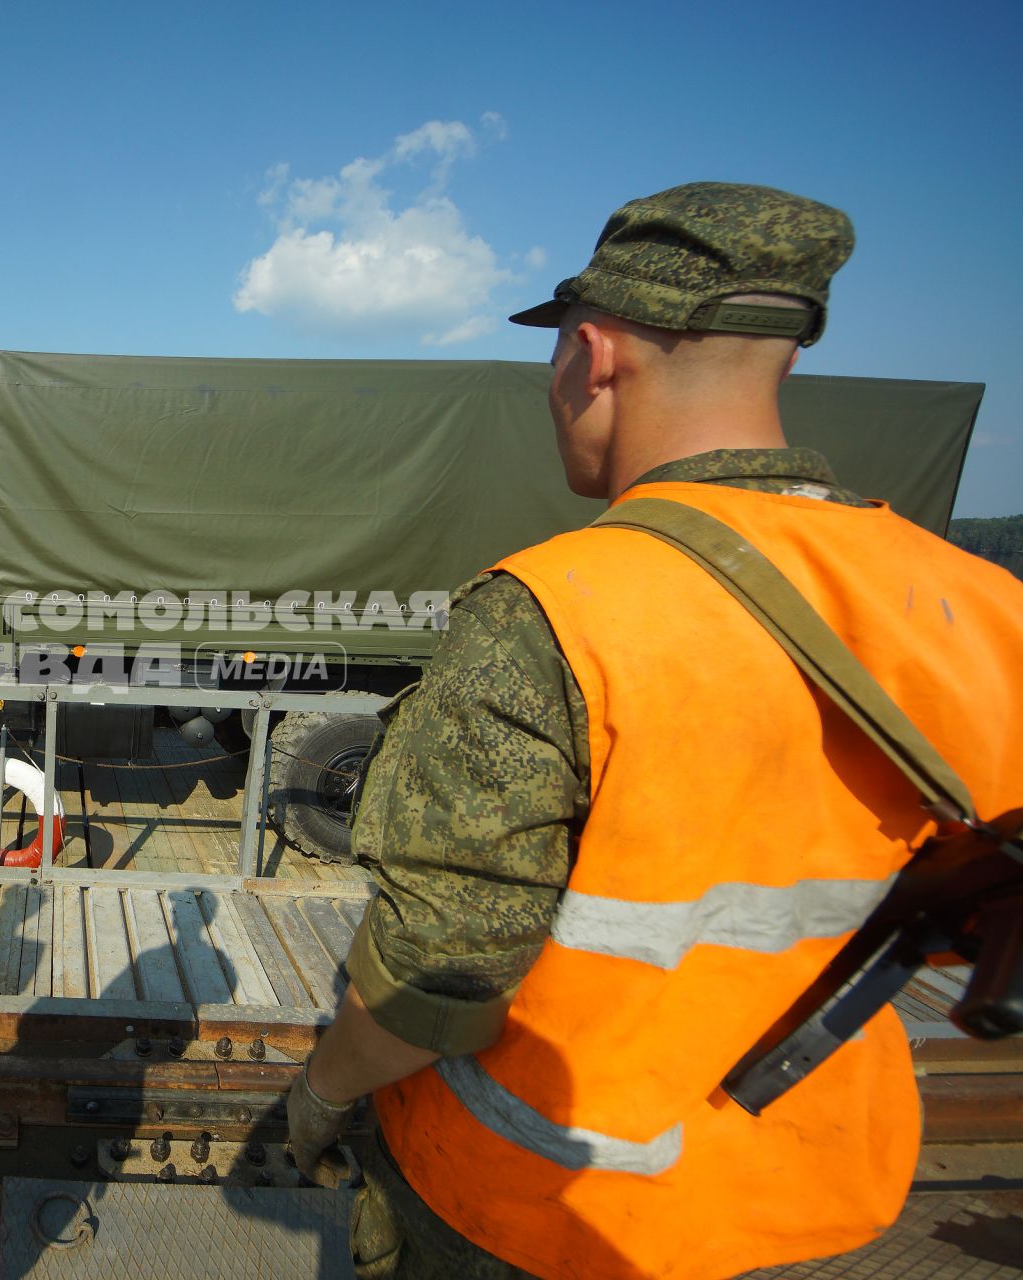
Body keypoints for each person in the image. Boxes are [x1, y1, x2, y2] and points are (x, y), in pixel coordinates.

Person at [287, 182, 1023, 1279]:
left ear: (591, 356)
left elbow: (437, 978)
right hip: (818, 1197)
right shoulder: (981, 606)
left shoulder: (557, 609)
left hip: (544, 1213)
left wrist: (319, 1092)